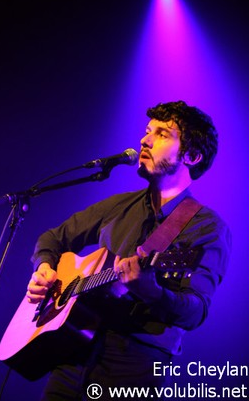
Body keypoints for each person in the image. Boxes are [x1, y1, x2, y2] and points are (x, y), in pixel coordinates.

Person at [26, 101, 231, 400]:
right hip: (73, 353)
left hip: (135, 363)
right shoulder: (119, 205)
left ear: (192, 155)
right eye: (148, 131)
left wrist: (151, 291)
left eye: (162, 134)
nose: (144, 140)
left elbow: (196, 311)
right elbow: (54, 238)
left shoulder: (208, 227)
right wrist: (44, 268)